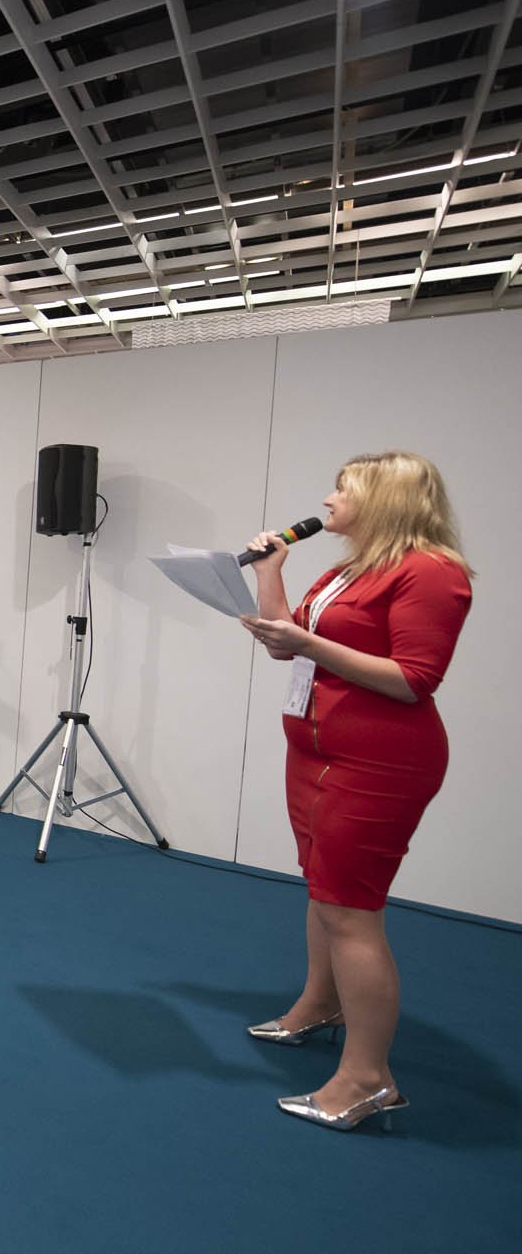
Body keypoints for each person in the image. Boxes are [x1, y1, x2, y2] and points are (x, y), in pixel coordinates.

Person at [238, 451, 474, 1133]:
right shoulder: (348, 569)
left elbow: (413, 679)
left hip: (379, 762)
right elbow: (286, 647)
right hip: (315, 752)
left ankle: (369, 1081)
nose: (328, 499)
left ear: (385, 499)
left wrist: (309, 645)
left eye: (344, 488)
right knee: (325, 890)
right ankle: (320, 1005)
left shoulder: (431, 571)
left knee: (351, 910)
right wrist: (270, 574)